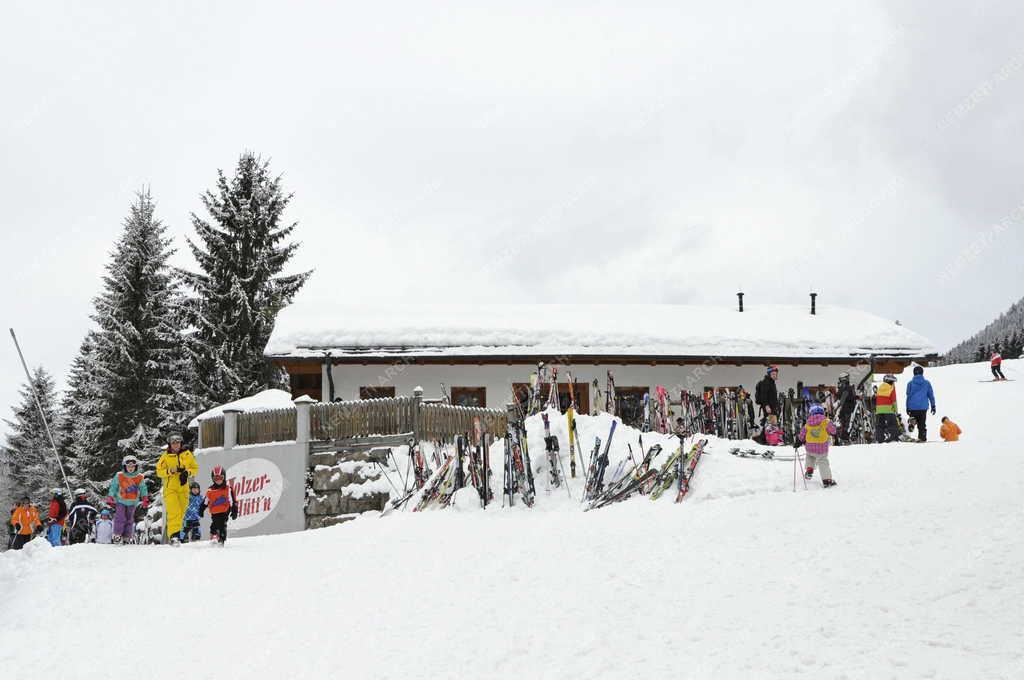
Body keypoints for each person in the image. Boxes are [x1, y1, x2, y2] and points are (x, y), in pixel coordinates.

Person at [156, 433, 198, 544]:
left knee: (181, 512)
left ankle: (178, 535)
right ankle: (174, 536)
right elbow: (159, 472)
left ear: (181, 443)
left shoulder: (187, 454)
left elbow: (195, 468)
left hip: (183, 488)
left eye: (177, 442)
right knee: (174, 512)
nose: (176, 445)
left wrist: (186, 473)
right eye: (173, 443)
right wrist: (170, 471)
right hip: (170, 489)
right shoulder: (165, 456)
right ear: (170, 444)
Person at [107, 454, 150, 544]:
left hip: (132, 502)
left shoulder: (139, 477)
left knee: (129, 519)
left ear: (136, 467)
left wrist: (145, 498)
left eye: (133, 466)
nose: (131, 468)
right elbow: (114, 487)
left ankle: (127, 536)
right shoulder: (119, 475)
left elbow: (143, 488)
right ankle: (117, 534)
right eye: (128, 466)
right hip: (120, 501)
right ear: (125, 466)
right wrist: (110, 497)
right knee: (120, 517)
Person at [797, 403, 837, 487]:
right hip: (821, 448)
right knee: (823, 462)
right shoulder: (826, 421)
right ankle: (827, 480)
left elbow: (802, 435)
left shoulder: (807, 423)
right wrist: (833, 429)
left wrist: (799, 441)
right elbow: (833, 431)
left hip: (810, 447)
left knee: (810, 456)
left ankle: (809, 469)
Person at [201, 465, 237, 545]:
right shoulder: (210, 490)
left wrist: (234, 510)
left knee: (222, 523)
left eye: (220, 478)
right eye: (216, 479)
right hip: (214, 511)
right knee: (214, 523)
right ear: (213, 479)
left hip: (224, 511)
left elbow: (232, 500)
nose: (218, 480)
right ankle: (214, 535)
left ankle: (221, 538)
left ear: (224, 477)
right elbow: (205, 501)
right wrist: (201, 509)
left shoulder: (228, 489)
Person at [906, 366, 937, 442]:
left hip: (912, 406)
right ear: (922, 373)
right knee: (922, 424)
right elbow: (930, 395)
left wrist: (907, 407)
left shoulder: (910, 383)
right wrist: (933, 406)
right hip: (923, 407)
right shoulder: (927, 383)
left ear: (914, 373)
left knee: (913, 417)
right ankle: (922, 437)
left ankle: (912, 422)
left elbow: (908, 394)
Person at [874, 374, 900, 443]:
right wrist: (896, 411)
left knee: (880, 425)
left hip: (879, 410)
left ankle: (879, 439)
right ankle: (894, 437)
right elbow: (894, 401)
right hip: (888, 409)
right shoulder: (891, 388)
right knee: (892, 424)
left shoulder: (880, 387)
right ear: (891, 382)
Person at [835, 372, 857, 444]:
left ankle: (844, 438)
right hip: (848, 409)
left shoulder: (843, 388)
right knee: (846, 424)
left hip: (844, 409)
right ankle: (844, 438)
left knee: (844, 424)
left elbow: (840, 398)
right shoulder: (848, 387)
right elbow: (843, 397)